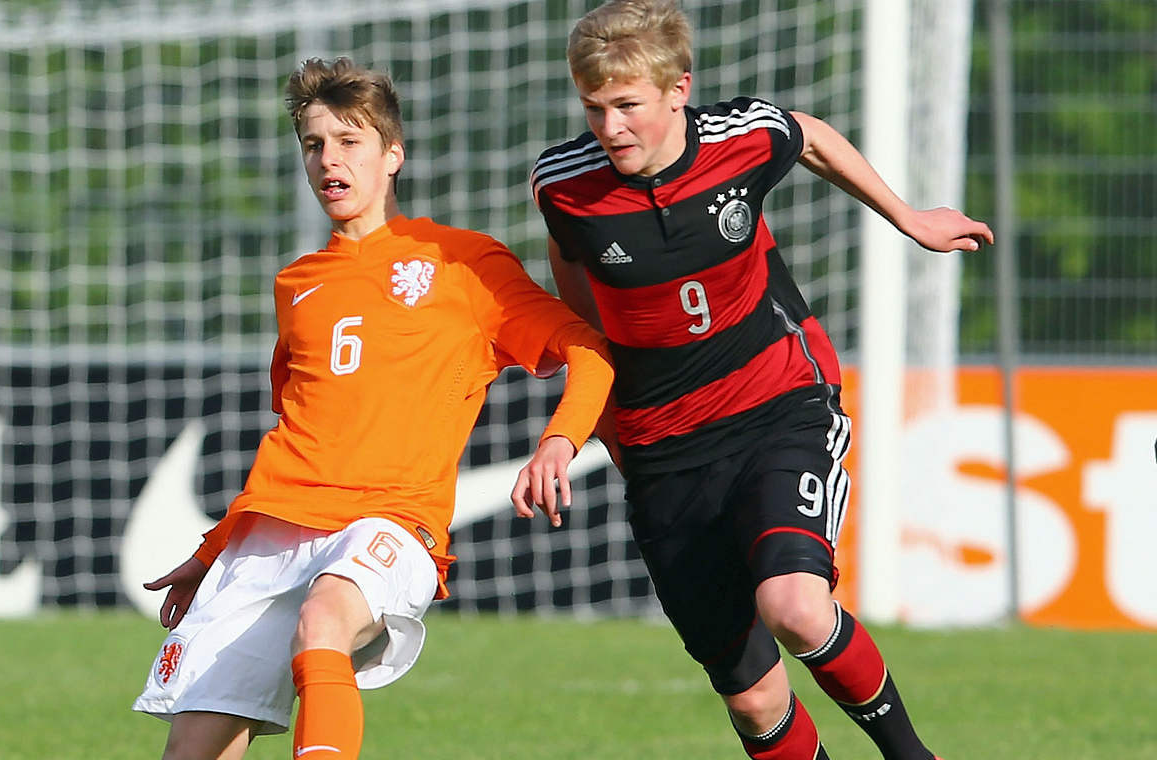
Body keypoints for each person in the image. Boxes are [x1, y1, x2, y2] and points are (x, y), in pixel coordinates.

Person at [529, 2, 994, 759]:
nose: (609, 126)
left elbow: (808, 135)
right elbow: (583, 310)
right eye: (594, 107)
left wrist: (909, 218)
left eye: (627, 106)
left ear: (679, 89)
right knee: (753, 698)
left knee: (797, 607)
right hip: (662, 447)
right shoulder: (565, 185)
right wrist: (596, 426)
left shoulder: (740, 137)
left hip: (774, 405)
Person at [133, 56, 614, 760]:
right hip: (269, 537)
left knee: (325, 619)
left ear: (393, 154)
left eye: (349, 141)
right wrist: (214, 551)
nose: (329, 159)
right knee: (193, 749)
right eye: (314, 144)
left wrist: (560, 441)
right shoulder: (297, 284)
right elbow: (303, 437)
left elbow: (590, 349)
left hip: (390, 521)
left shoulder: (462, 263)